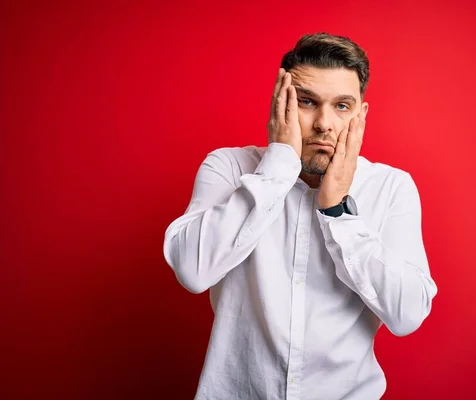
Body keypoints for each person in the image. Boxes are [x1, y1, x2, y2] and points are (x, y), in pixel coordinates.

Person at [163, 32, 438, 400]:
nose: (324, 124)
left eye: (342, 106)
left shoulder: (391, 188)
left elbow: (407, 316)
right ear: (280, 102)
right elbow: (193, 272)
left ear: (361, 114)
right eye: (307, 102)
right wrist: (278, 165)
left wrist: (338, 211)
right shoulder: (228, 168)